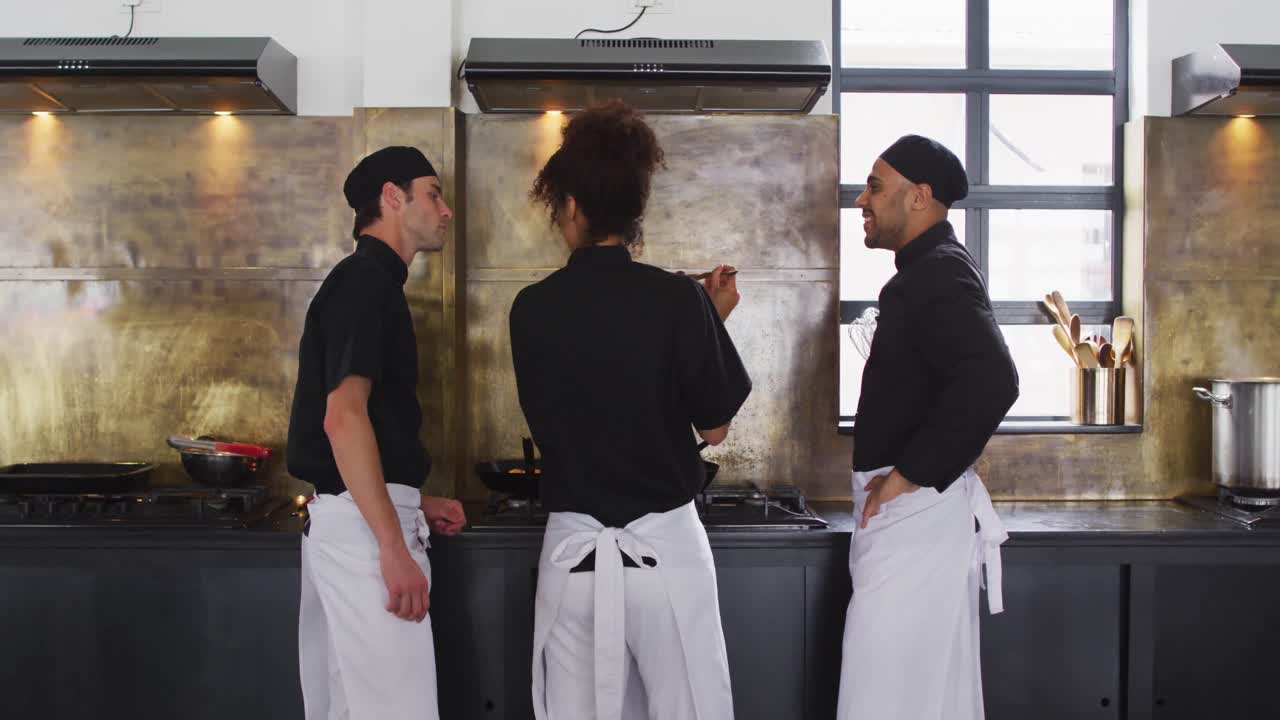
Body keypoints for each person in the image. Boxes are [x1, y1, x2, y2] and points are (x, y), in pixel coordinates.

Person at [509, 100, 751, 720]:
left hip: (573, 563)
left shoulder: (531, 309)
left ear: (568, 207)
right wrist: (708, 318)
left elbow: (585, 398)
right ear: (635, 212)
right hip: (664, 557)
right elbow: (714, 427)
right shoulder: (676, 300)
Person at [836, 135, 1020, 720]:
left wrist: (908, 475)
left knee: (883, 691)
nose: (862, 200)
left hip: (916, 512)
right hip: (917, 512)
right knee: (921, 692)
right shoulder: (931, 268)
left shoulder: (937, 274)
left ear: (919, 197)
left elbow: (993, 379)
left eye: (875, 186)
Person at [286, 146, 468, 720]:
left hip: (356, 519)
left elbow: (363, 425)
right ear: (394, 197)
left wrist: (415, 497)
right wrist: (392, 546)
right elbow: (343, 417)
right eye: (434, 194)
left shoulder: (369, 284)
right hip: (365, 536)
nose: (445, 211)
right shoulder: (364, 284)